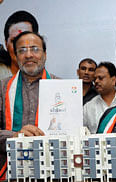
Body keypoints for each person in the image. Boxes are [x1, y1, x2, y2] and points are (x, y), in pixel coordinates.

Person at [0, 31, 57, 180]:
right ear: (15, 56)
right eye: (22, 50)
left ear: (45, 54)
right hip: (10, 171)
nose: (28, 55)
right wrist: (14, 136)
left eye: (35, 49)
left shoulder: (62, 87)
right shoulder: (2, 88)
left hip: (52, 170)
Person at [83, 62, 116, 134]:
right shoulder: (88, 107)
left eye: (100, 78)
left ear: (113, 80)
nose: (96, 81)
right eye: (95, 79)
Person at [0, 10, 39, 80]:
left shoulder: (46, 81)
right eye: (14, 41)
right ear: (6, 44)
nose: (20, 48)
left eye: (27, 40)